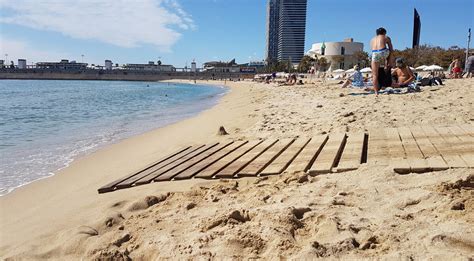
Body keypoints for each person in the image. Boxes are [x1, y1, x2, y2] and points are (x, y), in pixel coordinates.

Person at [370, 27, 393, 95]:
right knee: (390, 51)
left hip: (374, 53)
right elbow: (391, 49)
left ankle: (376, 92)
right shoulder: (386, 37)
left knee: (374, 75)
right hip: (383, 51)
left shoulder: (372, 39)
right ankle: (387, 65)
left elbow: (372, 48)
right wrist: (389, 61)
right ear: (384, 33)